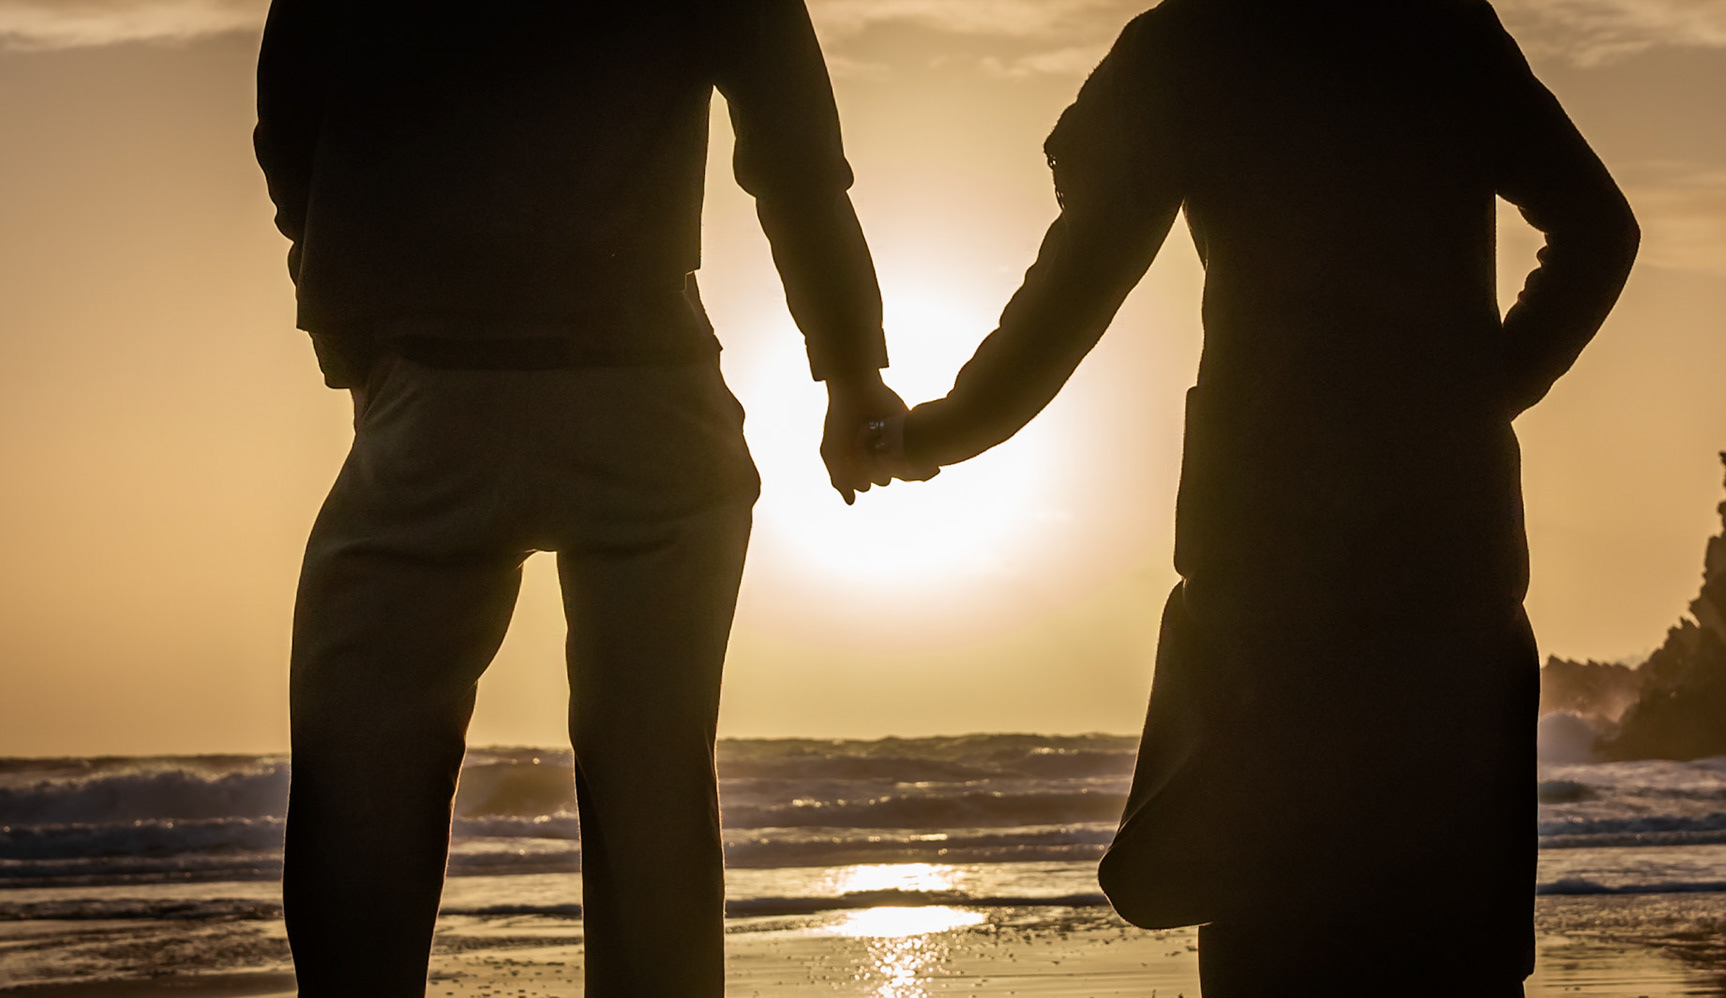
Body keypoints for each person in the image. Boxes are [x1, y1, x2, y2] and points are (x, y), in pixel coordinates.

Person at [877, 0, 1638, 991]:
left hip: (1267, 563)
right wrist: (1481, 393)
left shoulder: (1194, 44)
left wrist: (930, 434)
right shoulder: (1439, 25)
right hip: (1447, 549)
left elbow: (1077, 283)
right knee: (1458, 952)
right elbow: (1599, 229)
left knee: (1274, 943)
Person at [253, 2, 900, 994]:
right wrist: (850, 368)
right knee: (653, 785)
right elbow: (793, 144)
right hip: (645, 389)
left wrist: (344, 315)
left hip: (441, 380)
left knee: (364, 769)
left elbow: (294, 101)